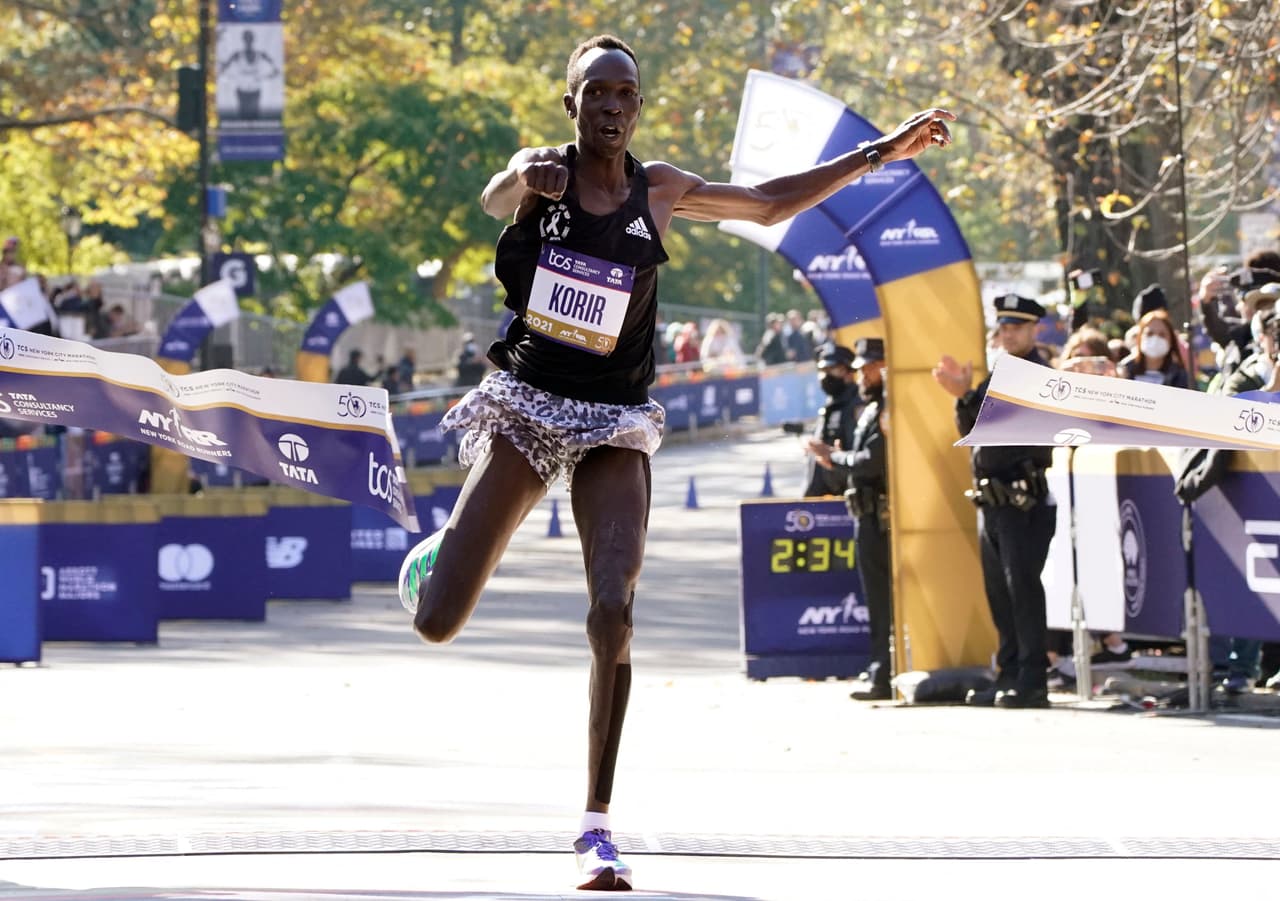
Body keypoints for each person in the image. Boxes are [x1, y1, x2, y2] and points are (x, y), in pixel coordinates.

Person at [396, 33, 954, 891]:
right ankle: (439, 554)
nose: (612, 107)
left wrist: (880, 151)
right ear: (571, 103)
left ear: (638, 109)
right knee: (438, 622)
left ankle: (595, 826)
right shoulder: (543, 172)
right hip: (531, 405)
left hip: (614, 420)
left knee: (612, 611)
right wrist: (524, 180)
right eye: (597, 92)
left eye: (627, 94)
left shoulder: (658, 190)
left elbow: (767, 204)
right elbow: (494, 195)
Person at [933, 293, 1056, 709]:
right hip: (993, 501)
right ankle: (1008, 674)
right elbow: (972, 430)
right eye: (1004, 327)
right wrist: (963, 395)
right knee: (1000, 596)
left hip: (1023, 500)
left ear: (1034, 329)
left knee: (1022, 592)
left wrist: (969, 397)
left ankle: (1032, 681)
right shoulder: (999, 375)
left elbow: (1006, 436)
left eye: (1017, 327)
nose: (1009, 334)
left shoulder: (1038, 377)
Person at [805, 338, 892, 701]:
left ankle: (884, 672)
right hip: (866, 513)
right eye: (860, 369)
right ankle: (880, 668)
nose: (862, 375)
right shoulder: (871, 409)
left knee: (884, 599)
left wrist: (834, 458)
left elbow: (870, 461)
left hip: (881, 516)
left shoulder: (886, 409)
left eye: (870, 368)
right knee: (875, 599)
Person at [800, 343, 862, 498]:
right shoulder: (831, 405)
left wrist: (833, 455)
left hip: (845, 498)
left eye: (832, 369)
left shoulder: (857, 405)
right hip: (821, 498)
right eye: (823, 371)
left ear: (849, 372)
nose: (826, 376)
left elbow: (859, 459)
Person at [1116, 309, 1189, 388]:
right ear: (1140, 337)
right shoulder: (1123, 370)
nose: (1155, 339)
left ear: (1171, 340)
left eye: (1162, 335)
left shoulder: (1181, 376)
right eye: (1150, 333)